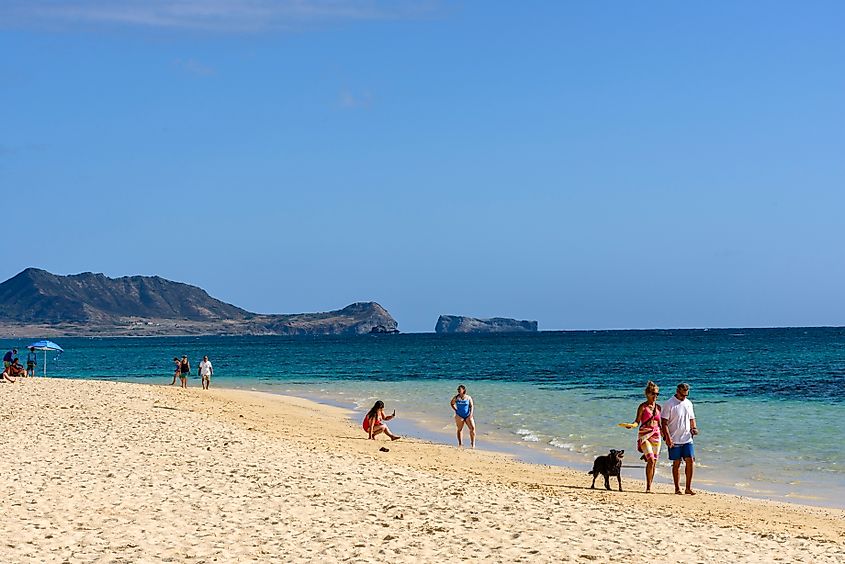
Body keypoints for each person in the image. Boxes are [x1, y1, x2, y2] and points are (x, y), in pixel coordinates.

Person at [661, 382, 699, 495]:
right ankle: (677, 488)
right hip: (674, 439)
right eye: (682, 395)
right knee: (676, 463)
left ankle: (688, 487)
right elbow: (664, 423)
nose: (684, 397)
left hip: (687, 438)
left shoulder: (688, 403)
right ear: (677, 391)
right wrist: (667, 437)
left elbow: (692, 418)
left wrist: (694, 428)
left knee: (690, 461)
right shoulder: (669, 403)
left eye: (686, 395)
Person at [633, 380, 665, 493]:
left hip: (656, 435)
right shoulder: (642, 406)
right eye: (653, 393)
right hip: (644, 435)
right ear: (647, 394)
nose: (655, 396)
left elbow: (660, 424)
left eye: (657, 394)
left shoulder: (659, 408)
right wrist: (632, 425)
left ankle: (650, 485)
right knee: (651, 460)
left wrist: (666, 435)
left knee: (654, 462)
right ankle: (648, 487)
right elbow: (637, 421)